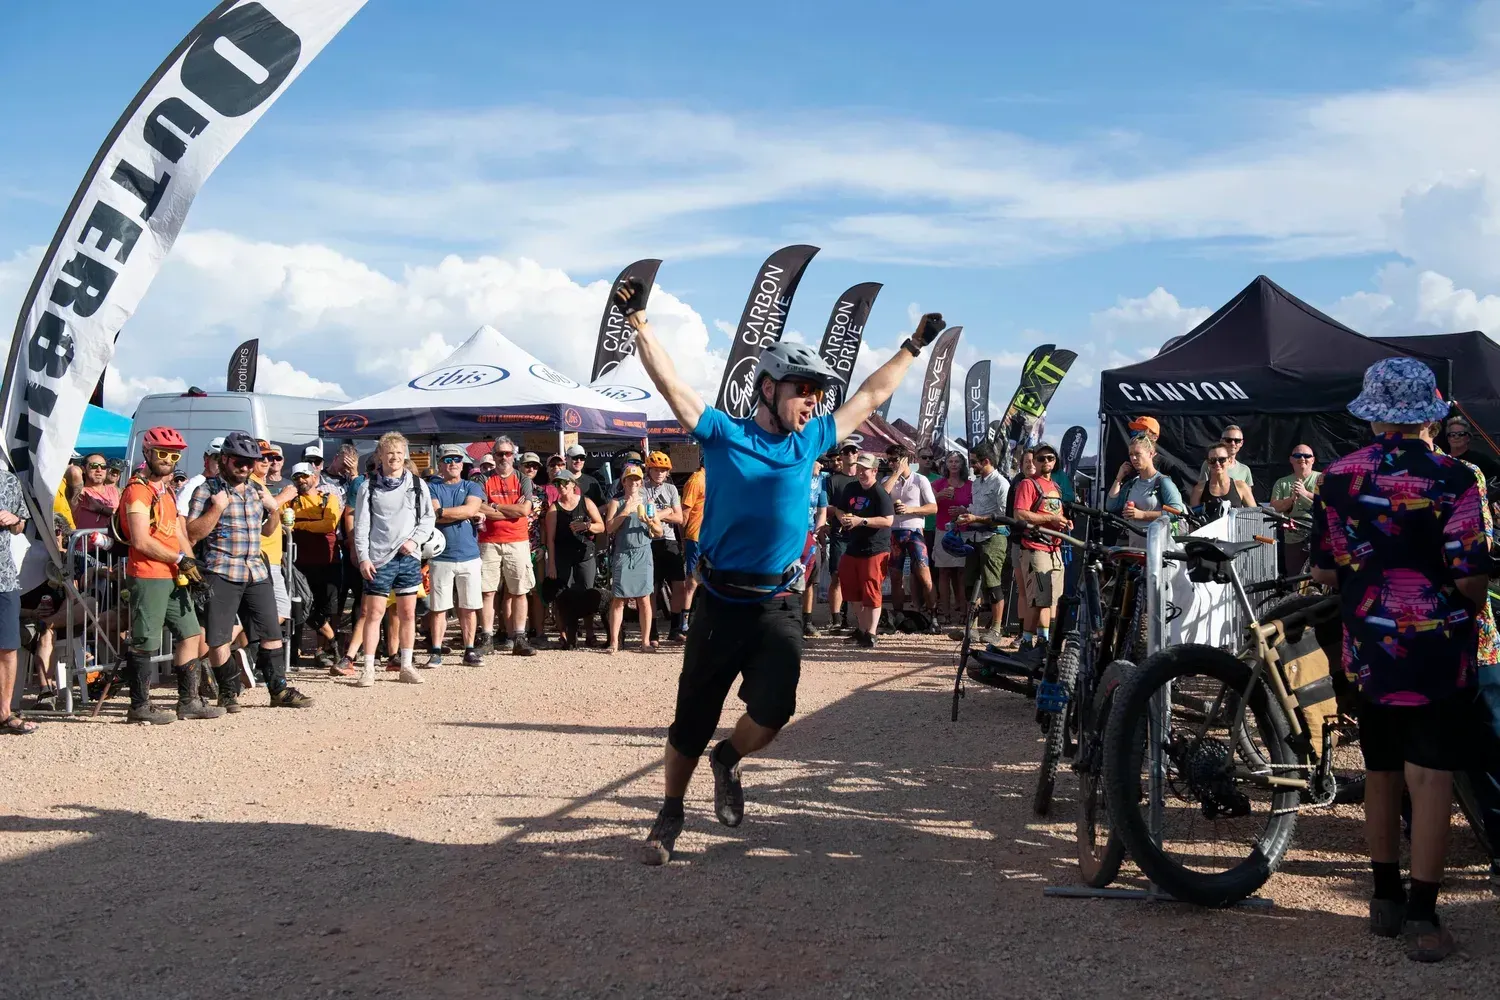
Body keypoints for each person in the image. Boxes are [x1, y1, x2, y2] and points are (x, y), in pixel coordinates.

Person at [620, 270, 942, 864]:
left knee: (773, 713)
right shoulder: (722, 432)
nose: (813, 402)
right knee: (692, 718)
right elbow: (672, 385)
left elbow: (869, 396)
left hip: (778, 604)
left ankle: (729, 759)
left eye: (817, 393)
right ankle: (670, 812)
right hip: (719, 599)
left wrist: (912, 347)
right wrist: (638, 321)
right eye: (803, 390)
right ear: (767, 388)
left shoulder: (810, 440)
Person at [1309, 357, 1492, 962]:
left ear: (1372, 416)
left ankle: (1384, 901)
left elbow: (1324, 569)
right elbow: (1471, 575)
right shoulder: (1458, 477)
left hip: (1369, 645)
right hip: (1439, 649)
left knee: (1381, 767)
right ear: (1429, 415)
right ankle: (1423, 916)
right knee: (1430, 772)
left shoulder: (1334, 479)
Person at [186, 432, 312, 711]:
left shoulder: (256, 490)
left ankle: (278, 689)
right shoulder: (207, 491)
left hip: (255, 569)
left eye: (250, 462)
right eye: (239, 462)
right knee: (218, 637)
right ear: (225, 460)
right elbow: (192, 534)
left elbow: (267, 529)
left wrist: (274, 509)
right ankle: (228, 693)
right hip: (221, 569)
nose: (245, 468)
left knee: (271, 632)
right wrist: (217, 509)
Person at [118, 426, 221, 724]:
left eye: (173, 455)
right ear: (147, 453)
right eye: (162, 453)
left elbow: (178, 533)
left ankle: (188, 701)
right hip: (148, 573)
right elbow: (140, 540)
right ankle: (139, 705)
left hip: (174, 575)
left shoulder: (168, 491)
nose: (168, 459)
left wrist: (191, 565)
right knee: (145, 640)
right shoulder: (137, 490)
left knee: (190, 632)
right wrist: (179, 559)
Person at [353, 432, 437, 687]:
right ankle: (368, 668)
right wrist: (363, 558)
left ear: (405, 455)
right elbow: (361, 526)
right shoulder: (368, 486)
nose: (395, 458)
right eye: (390, 453)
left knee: (408, 613)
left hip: (408, 558)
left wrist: (414, 542)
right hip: (379, 560)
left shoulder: (416, 484)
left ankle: (406, 665)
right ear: (380, 456)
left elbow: (428, 519)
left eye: (400, 453)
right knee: (374, 614)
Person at [426, 444, 486, 667]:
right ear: (440, 464)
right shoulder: (431, 487)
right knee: (439, 607)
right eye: (447, 460)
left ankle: (469, 650)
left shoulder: (472, 485)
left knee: (469, 606)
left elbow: (470, 510)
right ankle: (436, 650)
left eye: (456, 459)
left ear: (463, 464)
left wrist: (443, 513)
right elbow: (432, 514)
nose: (452, 463)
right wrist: (458, 513)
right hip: (441, 555)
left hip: (469, 555)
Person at [1011, 444, 1069, 666]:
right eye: (1041, 459)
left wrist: (1063, 522)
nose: (1046, 462)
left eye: (1050, 458)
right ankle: (1027, 641)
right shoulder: (1028, 484)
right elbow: (1020, 513)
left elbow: (1055, 513)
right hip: (1035, 547)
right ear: (1034, 462)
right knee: (1037, 598)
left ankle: (1043, 641)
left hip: (1054, 548)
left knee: (1051, 599)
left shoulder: (1055, 486)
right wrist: (1049, 520)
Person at [477, 438, 536, 656]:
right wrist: (511, 508)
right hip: (489, 541)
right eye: (500, 453)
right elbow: (478, 506)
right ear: (493, 455)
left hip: (517, 540)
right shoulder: (483, 478)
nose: (504, 457)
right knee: (487, 591)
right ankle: (486, 637)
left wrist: (495, 506)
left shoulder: (522, 479)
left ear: (514, 455)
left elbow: (524, 511)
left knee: (519, 590)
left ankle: (519, 636)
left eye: (508, 453)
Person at [830, 453, 895, 647]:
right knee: (853, 591)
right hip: (853, 547)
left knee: (871, 591)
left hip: (875, 549)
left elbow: (888, 520)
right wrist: (843, 518)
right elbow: (839, 509)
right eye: (858, 468)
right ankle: (861, 629)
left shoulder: (879, 492)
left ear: (874, 471)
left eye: (864, 469)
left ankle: (872, 633)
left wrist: (862, 521)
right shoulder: (851, 487)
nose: (860, 472)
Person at [953, 442, 1011, 649]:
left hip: (993, 538)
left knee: (992, 584)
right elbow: (975, 507)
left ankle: (996, 629)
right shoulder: (976, 483)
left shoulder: (1002, 484)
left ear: (986, 461)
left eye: (974, 462)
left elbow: (1005, 516)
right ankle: (972, 627)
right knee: (971, 583)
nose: (971, 465)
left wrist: (976, 517)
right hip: (973, 537)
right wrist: (964, 511)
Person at [289, 462, 344, 670]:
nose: (301, 481)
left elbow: (329, 524)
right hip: (301, 563)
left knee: (326, 608)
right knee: (301, 607)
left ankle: (323, 651)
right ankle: (297, 652)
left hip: (327, 561)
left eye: (304, 476)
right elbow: (285, 524)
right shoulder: (291, 501)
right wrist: (311, 525)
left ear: (314, 477)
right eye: (296, 478)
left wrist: (300, 525)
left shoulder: (328, 498)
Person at [543, 469, 604, 648]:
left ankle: (590, 633)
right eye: (557, 483)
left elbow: (601, 526)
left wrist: (587, 525)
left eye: (564, 483)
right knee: (563, 596)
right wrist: (551, 564)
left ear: (572, 484)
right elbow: (550, 540)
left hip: (585, 554)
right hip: (563, 556)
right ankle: (565, 635)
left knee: (588, 593)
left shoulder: (585, 502)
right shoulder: (554, 508)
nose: (561, 487)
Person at [604, 463, 659, 654]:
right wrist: (626, 511)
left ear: (641, 482)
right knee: (619, 599)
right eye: (630, 479)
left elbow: (658, 531)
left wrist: (650, 522)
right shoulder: (616, 502)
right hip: (623, 552)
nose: (634, 482)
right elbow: (609, 528)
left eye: (637, 479)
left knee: (644, 598)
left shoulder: (648, 503)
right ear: (624, 481)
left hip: (643, 552)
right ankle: (614, 642)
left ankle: (645, 642)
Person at [881, 444, 937, 630]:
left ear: (905, 460)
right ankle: (898, 615)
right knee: (895, 576)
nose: (890, 463)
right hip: (894, 532)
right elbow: (882, 494)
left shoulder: (920, 480)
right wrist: (896, 474)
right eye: (888, 460)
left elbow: (933, 508)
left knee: (924, 574)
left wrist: (911, 509)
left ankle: (933, 616)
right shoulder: (888, 479)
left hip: (914, 531)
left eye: (894, 459)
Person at [0, 465, 36, 734]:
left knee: (8, 647)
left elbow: (21, 524)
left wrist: (14, 519)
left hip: (3, 577)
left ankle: (4, 713)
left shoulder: (8, 481)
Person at [252, 440, 298, 646]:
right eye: (262, 457)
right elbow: (259, 516)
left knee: (278, 611)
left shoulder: (260, 483)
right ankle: (232, 649)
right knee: (276, 610)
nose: (267, 461)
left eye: (270, 457)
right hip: (260, 557)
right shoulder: (252, 483)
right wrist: (282, 497)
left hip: (272, 557)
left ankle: (243, 651)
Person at [642, 451, 688, 643]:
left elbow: (679, 518)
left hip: (669, 541)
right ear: (649, 470)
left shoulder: (671, 490)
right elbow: (643, 516)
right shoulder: (641, 489)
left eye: (663, 470)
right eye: (656, 469)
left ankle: (675, 628)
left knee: (679, 585)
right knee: (652, 588)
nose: (659, 473)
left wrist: (658, 514)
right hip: (649, 541)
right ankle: (652, 630)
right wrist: (667, 510)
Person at [822, 441, 861, 632]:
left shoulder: (864, 478)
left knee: (859, 576)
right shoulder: (832, 480)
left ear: (858, 454)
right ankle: (836, 618)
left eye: (853, 451)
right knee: (836, 575)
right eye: (845, 452)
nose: (849, 455)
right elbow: (824, 505)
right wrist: (838, 513)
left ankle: (860, 618)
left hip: (861, 534)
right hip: (839, 533)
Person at [931, 451, 973, 624]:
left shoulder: (970, 485)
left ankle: (963, 612)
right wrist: (939, 496)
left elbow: (976, 507)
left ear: (962, 464)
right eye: (951, 461)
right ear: (946, 464)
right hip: (943, 530)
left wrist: (964, 510)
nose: (954, 464)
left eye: (957, 461)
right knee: (944, 571)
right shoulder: (938, 483)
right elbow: (927, 504)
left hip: (964, 531)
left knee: (962, 573)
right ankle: (945, 613)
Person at [1108, 435, 1185, 527]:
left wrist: (1142, 515)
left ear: (1151, 454)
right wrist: (1119, 478)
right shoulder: (1132, 484)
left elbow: (1177, 513)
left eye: (1137, 454)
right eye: (1131, 454)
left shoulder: (1163, 482)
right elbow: (1111, 506)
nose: (1133, 458)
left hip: (1157, 539)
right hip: (1134, 540)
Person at [1269, 444, 1320, 573]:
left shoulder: (1322, 479)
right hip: (1293, 537)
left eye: (1307, 456)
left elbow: (1331, 502)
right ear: (1291, 460)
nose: (1302, 458)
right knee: (1294, 577)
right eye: (1297, 455)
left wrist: (1305, 494)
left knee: (1321, 578)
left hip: (1320, 536)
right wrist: (1291, 499)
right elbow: (1274, 507)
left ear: (1313, 460)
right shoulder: (1282, 483)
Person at [801, 456, 830, 637]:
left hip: (810, 533)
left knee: (811, 577)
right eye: (818, 461)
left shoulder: (821, 481)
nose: (820, 465)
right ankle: (790, 618)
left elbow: (822, 510)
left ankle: (807, 620)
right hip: (793, 532)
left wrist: (817, 533)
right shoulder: (797, 476)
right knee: (793, 576)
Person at [1191, 443, 1255, 522]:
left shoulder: (1241, 486)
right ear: (1208, 463)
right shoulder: (1199, 489)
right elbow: (1193, 521)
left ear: (1229, 460)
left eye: (1221, 460)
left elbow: (1255, 516)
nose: (1217, 464)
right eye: (1212, 460)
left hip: (1235, 532)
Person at [679, 462, 706, 628]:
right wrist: (683, 539)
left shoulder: (711, 479)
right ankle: (684, 624)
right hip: (696, 536)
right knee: (692, 580)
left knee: (707, 580)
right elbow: (685, 513)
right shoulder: (696, 480)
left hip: (709, 538)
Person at [1443, 416, 1500, 486]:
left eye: (1461, 434)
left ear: (1468, 438)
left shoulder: (1481, 460)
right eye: (1452, 434)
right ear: (1448, 438)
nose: (1456, 437)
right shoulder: (1441, 461)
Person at [71, 453, 119, 532]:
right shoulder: (81, 492)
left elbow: (121, 516)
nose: (99, 470)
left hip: (111, 543)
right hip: (85, 543)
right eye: (94, 466)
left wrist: (100, 508)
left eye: (103, 466)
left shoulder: (113, 491)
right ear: (83, 469)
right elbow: (74, 471)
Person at [176, 438, 222, 512]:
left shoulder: (229, 487)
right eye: (217, 457)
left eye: (225, 459)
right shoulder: (192, 486)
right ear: (206, 458)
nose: (221, 463)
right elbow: (181, 518)